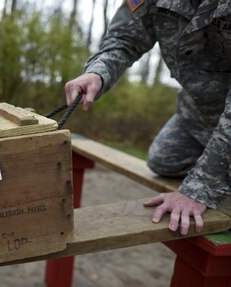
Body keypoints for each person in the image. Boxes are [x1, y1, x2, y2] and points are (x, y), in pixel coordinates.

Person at [65, 0, 231, 235]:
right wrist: (97, 72)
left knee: (209, 188)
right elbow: (125, 38)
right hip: (198, 112)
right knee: (164, 159)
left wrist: (198, 189)